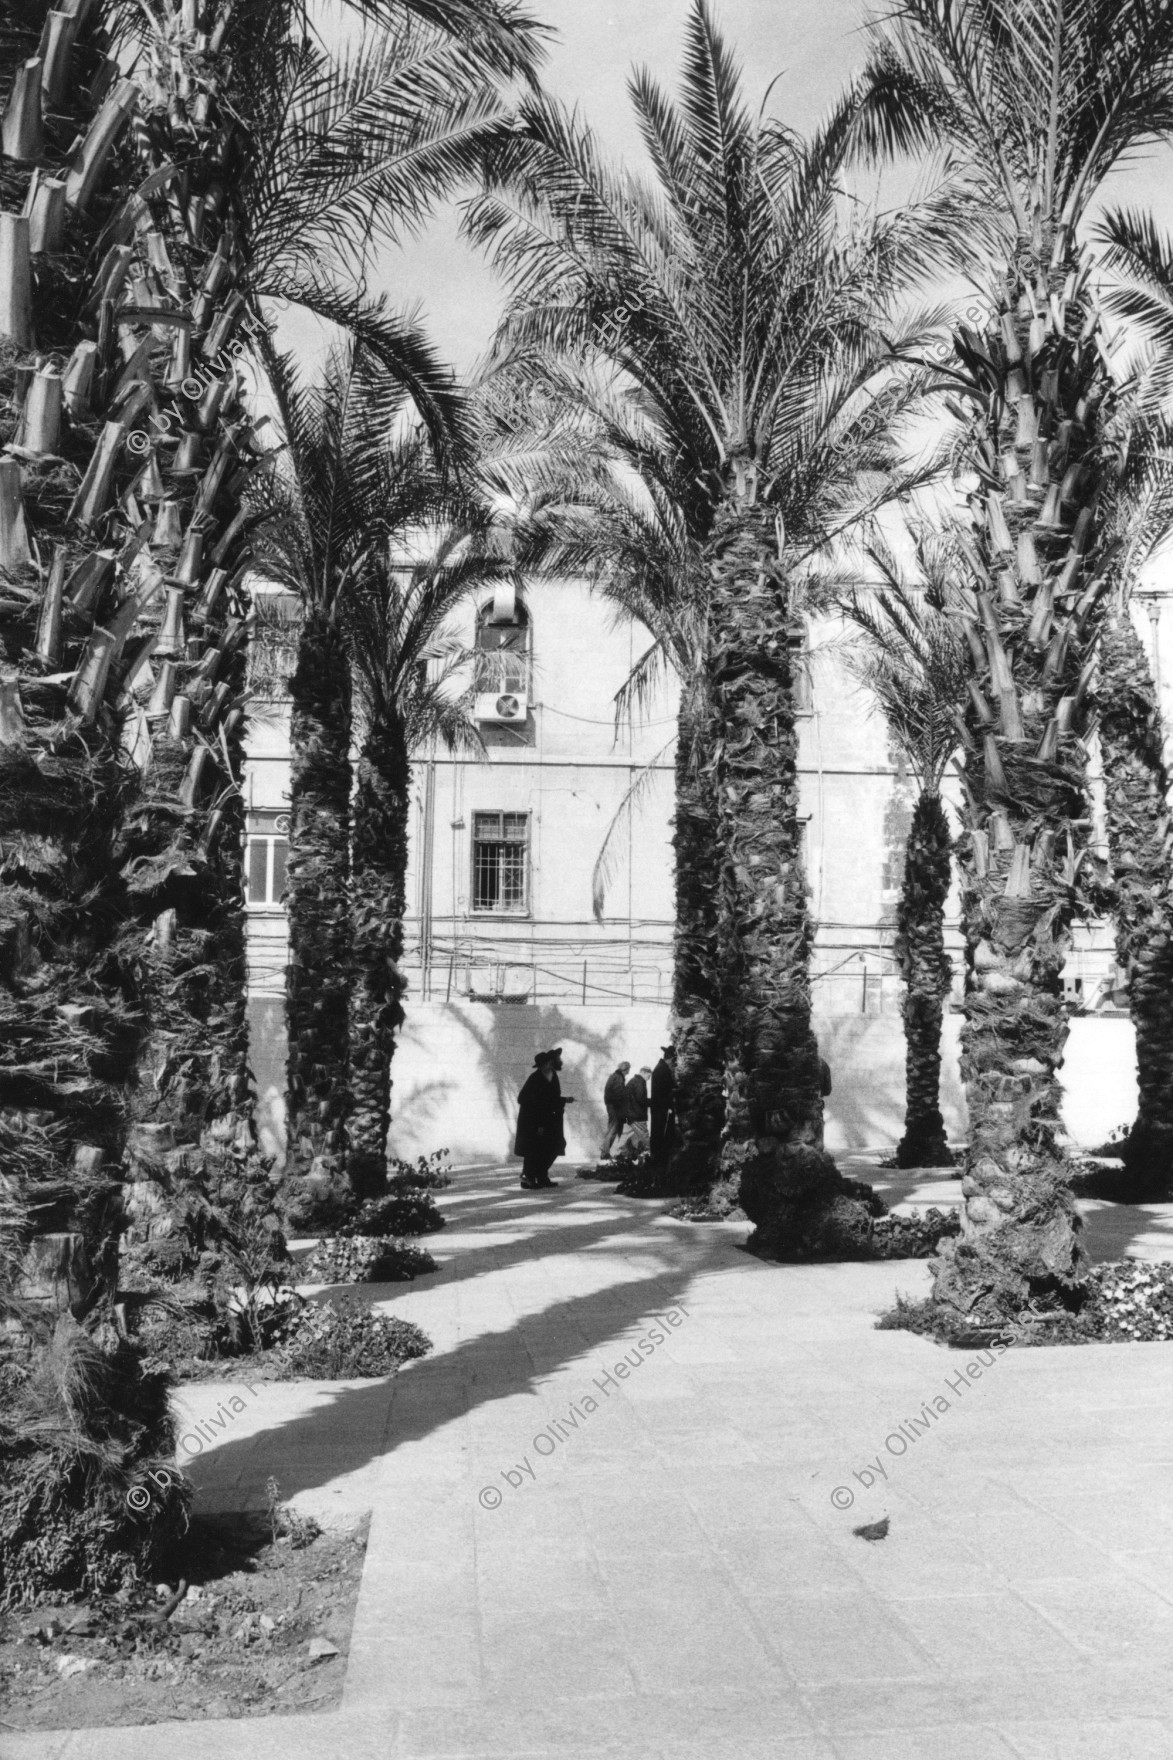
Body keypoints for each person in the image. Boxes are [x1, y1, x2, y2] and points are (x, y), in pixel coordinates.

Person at [514, 1048, 574, 1189]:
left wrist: (564, 1099)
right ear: (545, 1064)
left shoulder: (553, 1075)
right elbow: (522, 1098)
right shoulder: (535, 1078)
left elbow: (550, 1099)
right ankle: (528, 1178)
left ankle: (541, 1175)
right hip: (534, 1121)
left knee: (555, 1146)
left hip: (549, 1120)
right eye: (555, 1060)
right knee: (534, 1149)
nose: (559, 1062)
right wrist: (538, 1121)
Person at [649, 1045, 676, 1163]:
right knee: (660, 1134)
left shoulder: (659, 1068)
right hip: (661, 1108)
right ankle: (659, 1159)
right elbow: (666, 1090)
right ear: (670, 1059)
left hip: (658, 1108)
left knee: (657, 1133)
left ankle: (657, 1158)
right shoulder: (663, 1070)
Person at [600, 1060, 631, 1161]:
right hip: (615, 1107)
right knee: (613, 1129)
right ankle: (604, 1151)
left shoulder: (614, 1076)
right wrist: (622, 1109)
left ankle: (605, 1149)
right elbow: (618, 1094)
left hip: (611, 1106)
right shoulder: (618, 1078)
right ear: (624, 1069)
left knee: (613, 1128)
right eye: (628, 1070)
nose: (628, 1073)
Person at [619, 1065, 651, 1160]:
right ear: (644, 1073)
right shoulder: (639, 1082)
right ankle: (649, 1155)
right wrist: (655, 1102)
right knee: (644, 1136)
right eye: (649, 1076)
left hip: (632, 1115)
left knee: (635, 1137)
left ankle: (623, 1153)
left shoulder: (634, 1081)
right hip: (637, 1115)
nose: (648, 1079)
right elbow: (641, 1100)